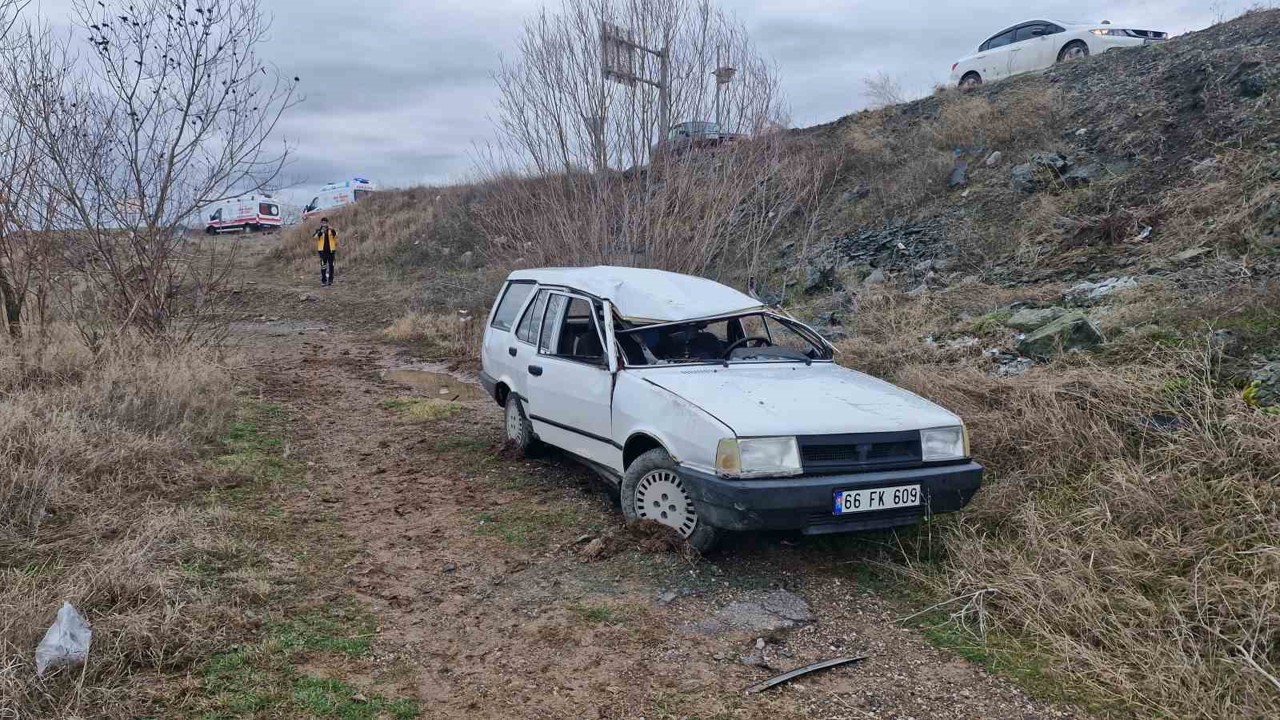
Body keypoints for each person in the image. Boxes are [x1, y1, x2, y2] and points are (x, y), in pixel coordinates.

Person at [313, 217, 338, 286]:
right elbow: (315, 237)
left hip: (331, 251)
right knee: (323, 266)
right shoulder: (318, 230)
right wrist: (321, 231)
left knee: (331, 266)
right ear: (321, 223)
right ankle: (323, 281)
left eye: (325, 223)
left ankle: (330, 280)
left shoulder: (331, 230)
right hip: (322, 251)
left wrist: (332, 230)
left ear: (327, 223)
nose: (324, 224)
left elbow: (336, 235)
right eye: (323, 223)